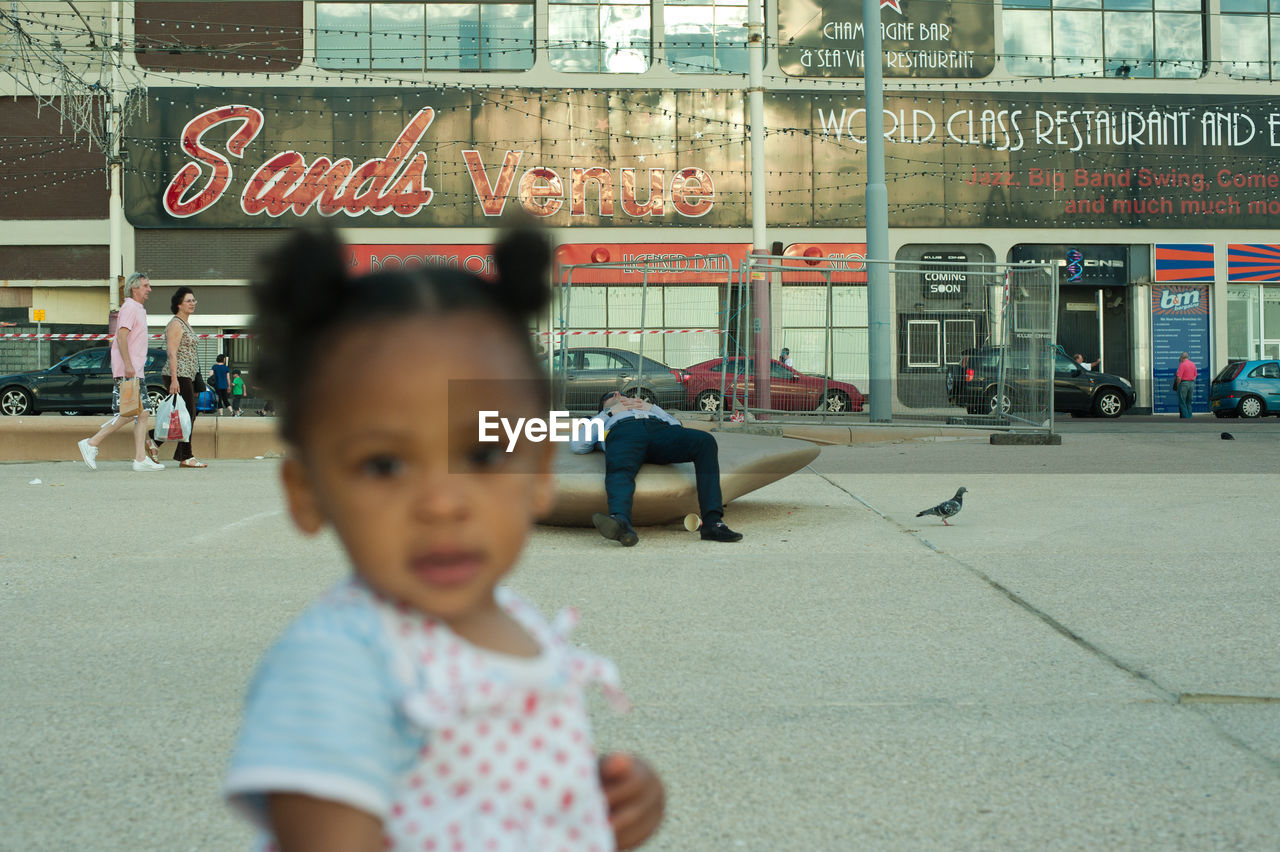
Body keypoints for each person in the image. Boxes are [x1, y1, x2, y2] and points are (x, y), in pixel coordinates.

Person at [224, 227, 665, 852]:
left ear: (540, 471)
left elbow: (506, 801)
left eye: (483, 455)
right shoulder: (339, 664)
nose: (441, 503)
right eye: (383, 465)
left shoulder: (517, 621)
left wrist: (598, 807)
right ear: (307, 492)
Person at [570, 390, 744, 546]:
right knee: (619, 467)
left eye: (621, 393)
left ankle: (713, 523)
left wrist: (652, 408)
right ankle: (621, 521)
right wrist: (608, 413)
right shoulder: (602, 418)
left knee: (705, 441)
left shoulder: (650, 410)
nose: (618, 395)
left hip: (658, 430)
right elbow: (578, 445)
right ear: (601, 407)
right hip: (623, 432)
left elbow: (677, 427)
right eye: (610, 396)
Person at [77, 272, 164, 472]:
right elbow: (122, 337)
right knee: (130, 412)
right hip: (129, 370)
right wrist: (128, 365)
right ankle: (91, 443)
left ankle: (140, 459)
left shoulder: (138, 309)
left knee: (142, 413)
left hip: (134, 369)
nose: (149, 289)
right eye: (145, 286)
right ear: (134, 288)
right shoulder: (129, 308)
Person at [156, 287, 207, 468]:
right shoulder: (176, 324)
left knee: (184, 416)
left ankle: (156, 443)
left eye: (194, 301)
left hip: (188, 375)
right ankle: (185, 456)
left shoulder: (185, 323)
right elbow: (172, 353)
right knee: (189, 414)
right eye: (188, 301)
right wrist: (175, 379)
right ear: (179, 304)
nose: (193, 303)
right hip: (178, 374)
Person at [1175, 351, 1197, 419]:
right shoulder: (1193, 364)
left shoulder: (1182, 365)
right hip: (1191, 383)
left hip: (1184, 384)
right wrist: (1191, 380)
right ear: (1188, 357)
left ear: (1182, 357)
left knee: (1182, 401)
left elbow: (1179, 377)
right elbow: (1195, 375)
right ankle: (1189, 416)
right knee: (1189, 402)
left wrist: (1177, 385)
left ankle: (1185, 417)